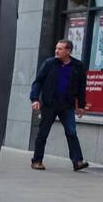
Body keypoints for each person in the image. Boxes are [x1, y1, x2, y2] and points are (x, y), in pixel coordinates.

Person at [29, 38, 89, 171]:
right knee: (43, 133)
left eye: (60, 49)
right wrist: (35, 99)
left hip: (66, 105)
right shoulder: (49, 64)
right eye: (56, 48)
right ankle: (37, 161)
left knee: (71, 132)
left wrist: (81, 106)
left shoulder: (78, 66)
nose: (56, 51)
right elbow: (38, 81)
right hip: (50, 104)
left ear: (68, 51)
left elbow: (81, 87)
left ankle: (78, 161)